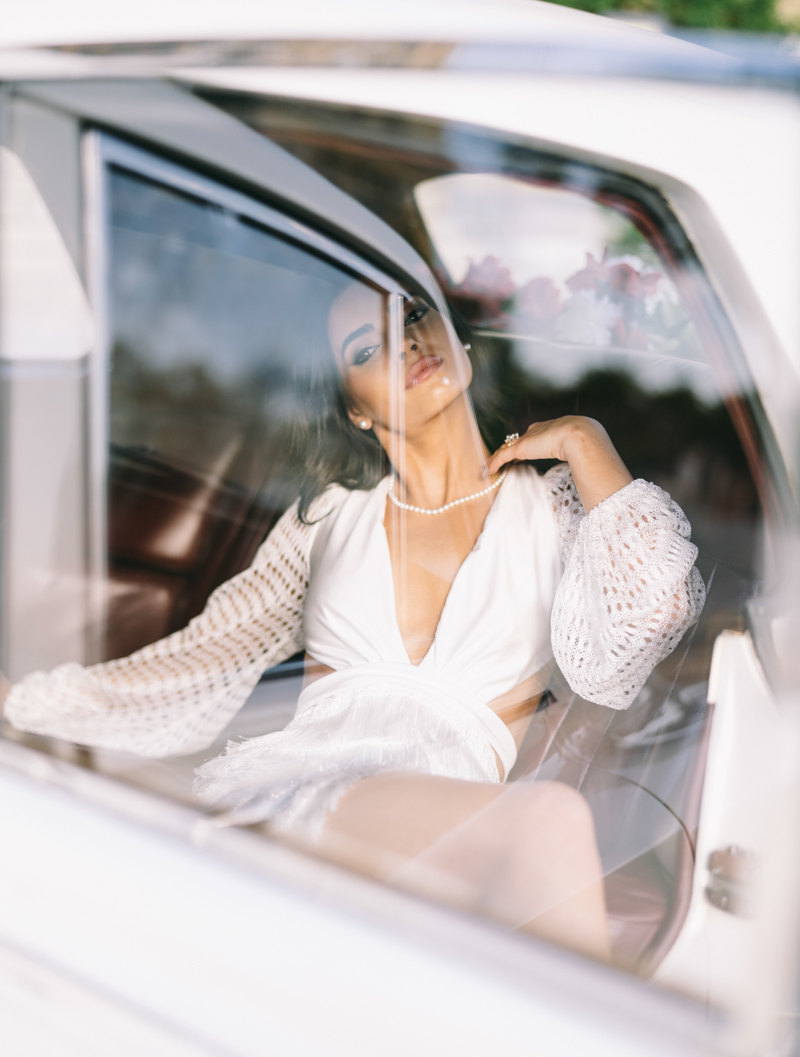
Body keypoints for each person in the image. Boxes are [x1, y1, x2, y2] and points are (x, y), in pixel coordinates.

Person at [3, 283, 705, 961]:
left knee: (538, 834)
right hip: (298, 797)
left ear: (458, 339)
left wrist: (586, 441)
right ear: (356, 412)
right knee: (549, 825)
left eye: (415, 314)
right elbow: (204, 659)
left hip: (441, 833)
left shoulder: (556, 508)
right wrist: (26, 703)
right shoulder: (329, 518)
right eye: (368, 349)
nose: (405, 343)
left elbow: (649, 621)